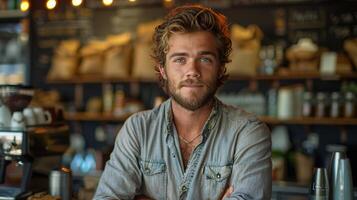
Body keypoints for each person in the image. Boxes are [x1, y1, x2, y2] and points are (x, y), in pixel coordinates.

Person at [94, 4, 271, 200]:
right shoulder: (138, 130)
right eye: (180, 59)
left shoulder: (247, 132)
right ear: (163, 69)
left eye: (204, 59)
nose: (192, 71)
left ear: (220, 67)